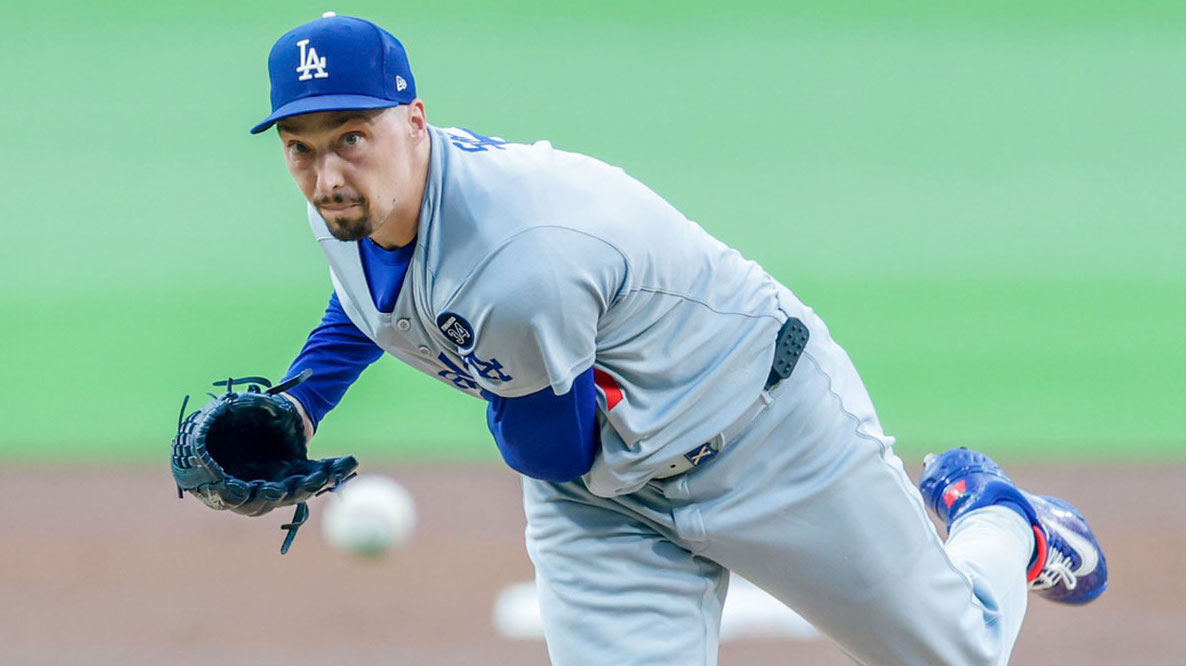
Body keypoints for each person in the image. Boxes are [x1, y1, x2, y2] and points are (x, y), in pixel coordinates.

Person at [252, 13, 1107, 665]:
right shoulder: (354, 199)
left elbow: (550, 446)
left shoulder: (521, 258)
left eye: (351, 138)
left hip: (763, 435)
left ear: (414, 120)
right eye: (302, 148)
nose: (328, 175)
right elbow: (374, 296)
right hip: (606, 492)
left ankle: (1000, 518)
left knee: (959, 649)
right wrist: (300, 404)